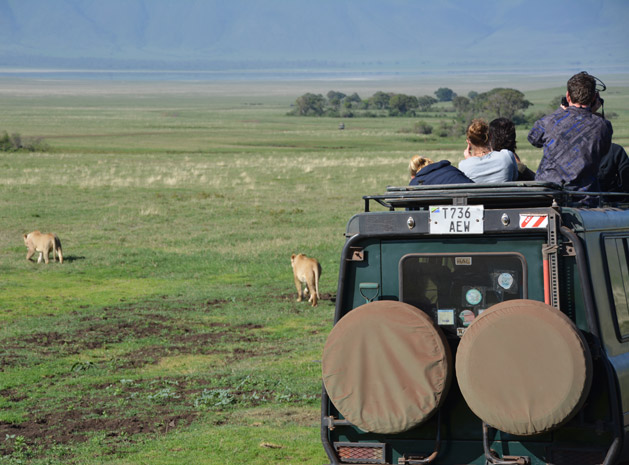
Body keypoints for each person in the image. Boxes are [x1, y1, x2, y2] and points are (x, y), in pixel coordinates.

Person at [528, 71, 613, 200]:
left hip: (546, 194)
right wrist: (592, 113)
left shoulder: (548, 122)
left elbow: (533, 139)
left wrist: (560, 112)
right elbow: (603, 150)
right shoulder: (603, 126)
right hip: (584, 198)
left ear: (568, 96)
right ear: (594, 98)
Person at [458, 119, 518, 183]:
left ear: (468, 142)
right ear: (490, 138)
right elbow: (515, 178)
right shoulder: (506, 156)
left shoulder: (463, 166)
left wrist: (469, 160)